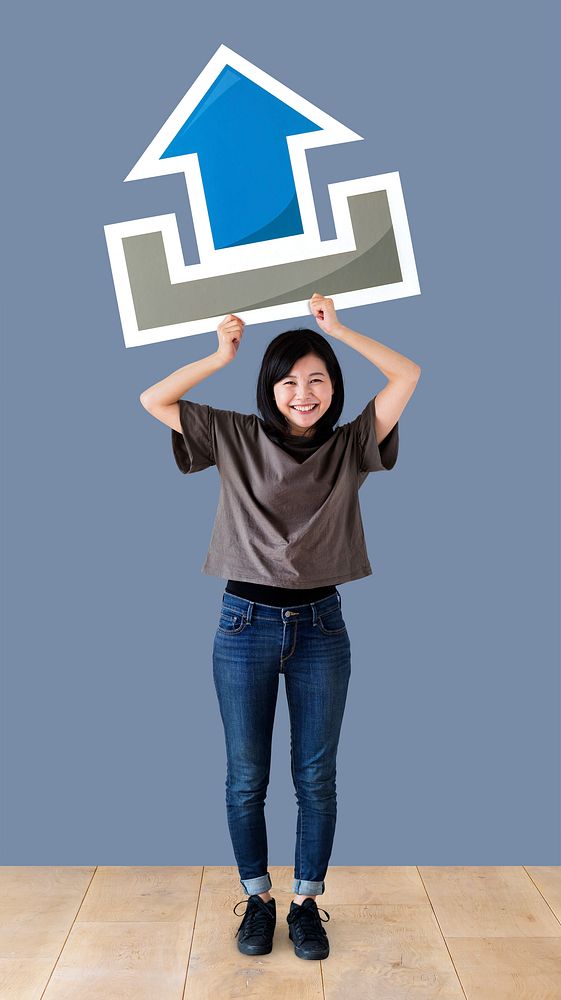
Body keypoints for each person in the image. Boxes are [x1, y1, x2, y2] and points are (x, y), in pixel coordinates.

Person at [140, 292, 421, 960]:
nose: (304, 392)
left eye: (317, 379)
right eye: (289, 380)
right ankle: (258, 900)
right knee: (245, 777)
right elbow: (153, 399)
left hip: (322, 626)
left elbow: (407, 375)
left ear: (332, 388)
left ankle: (304, 905)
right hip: (243, 625)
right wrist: (219, 355)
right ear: (270, 387)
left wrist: (340, 329)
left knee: (316, 777)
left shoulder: (353, 443)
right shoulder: (232, 434)